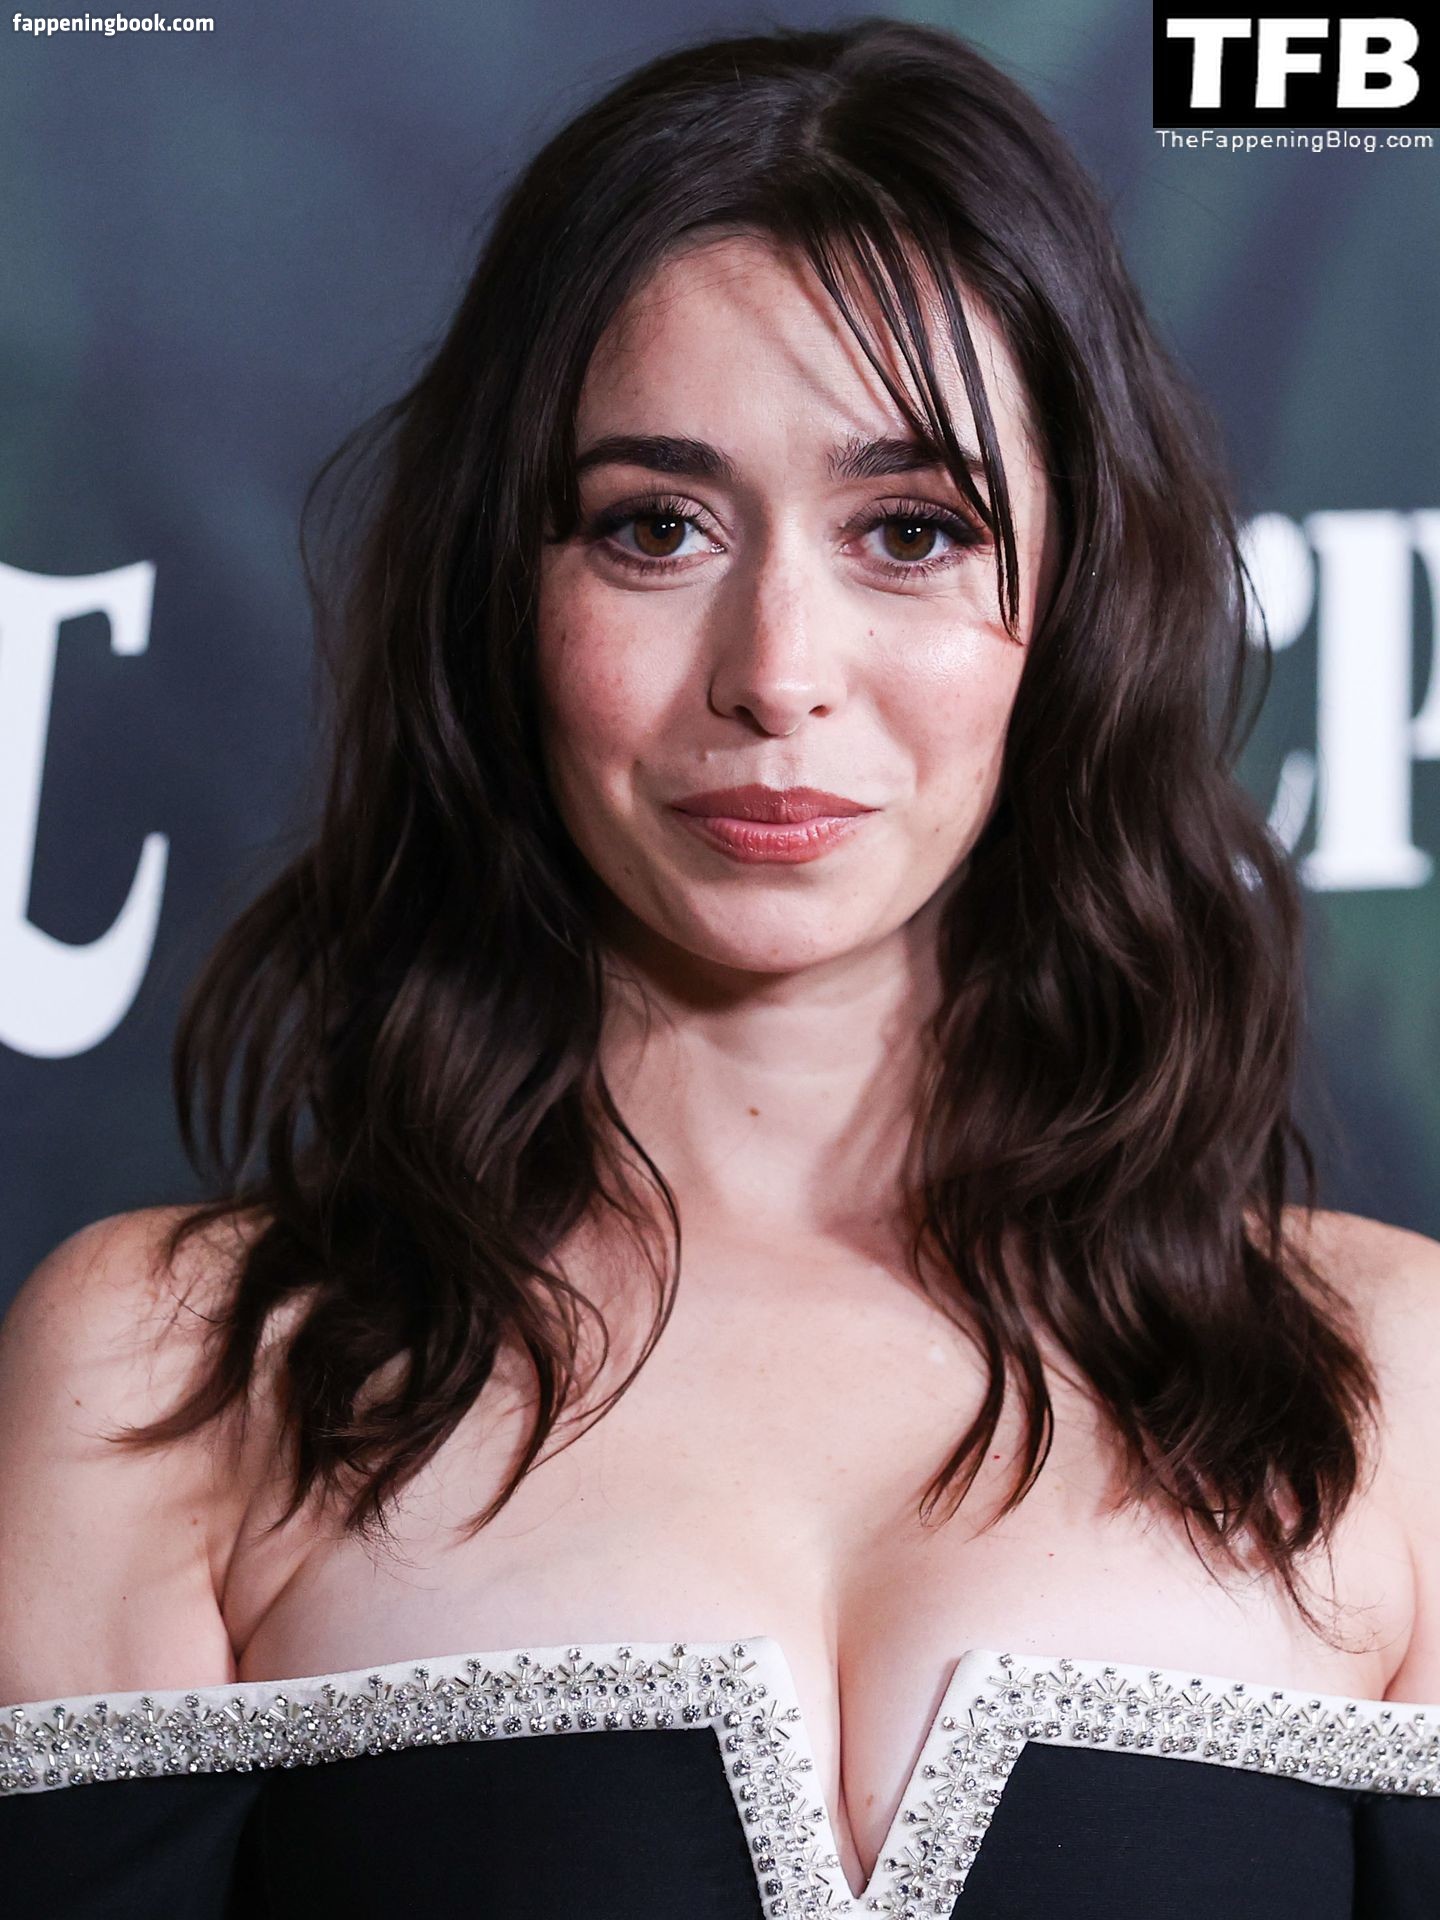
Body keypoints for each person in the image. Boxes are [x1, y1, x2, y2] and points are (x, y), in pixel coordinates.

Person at [1, 16, 1438, 1917]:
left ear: (1083, 606)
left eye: (911, 531)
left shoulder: (1390, 1389)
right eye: (656, 527)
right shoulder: (174, 1376)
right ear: (508, 597)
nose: (777, 669)